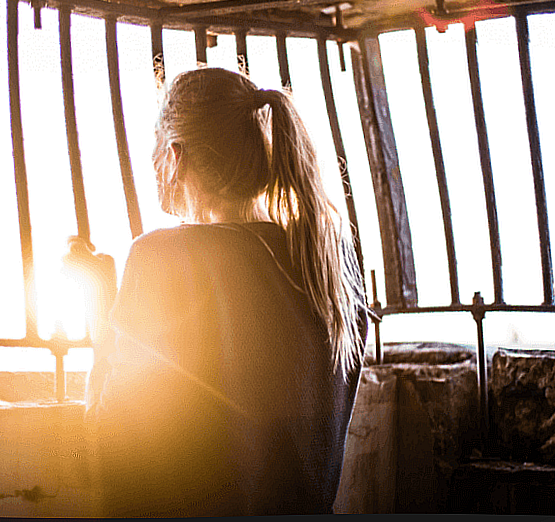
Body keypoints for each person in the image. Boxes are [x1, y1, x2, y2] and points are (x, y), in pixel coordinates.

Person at [74, 66, 368, 517]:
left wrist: (99, 317)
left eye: (156, 145)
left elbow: (112, 447)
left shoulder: (164, 258)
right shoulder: (324, 264)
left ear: (174, 156)